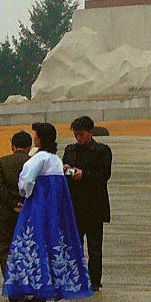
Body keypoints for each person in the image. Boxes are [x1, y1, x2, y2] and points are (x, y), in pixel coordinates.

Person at [3, 123, 93, 302]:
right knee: (53, 244)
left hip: (37, 206)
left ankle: (33, 288)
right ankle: (51, 287)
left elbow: (26, 181)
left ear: (40, 138)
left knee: (30, 243)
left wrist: (26, 194)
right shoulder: (55, 160)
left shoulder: (39, 158)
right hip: (55, 210)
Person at [62, 116, 112, 292]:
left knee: (94, 248)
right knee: (74, 246)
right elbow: (64, 172)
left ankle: (95, 281)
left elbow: (104, 175)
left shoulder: (102, 151)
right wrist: (68, 170)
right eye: (76, 135)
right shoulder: (70, 150)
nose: (78, 138)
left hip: (94, 206)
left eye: (81, 135)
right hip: (74, 206)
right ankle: (75, 278)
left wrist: (84, 175)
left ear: (90, 133)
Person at [0, 130, 32, 277]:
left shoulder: (2, 162)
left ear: (12, 146)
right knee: (28, 246)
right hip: (29, 211)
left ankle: (10, 281)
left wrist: (13, 204)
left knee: (5, 247)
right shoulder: (34, 162)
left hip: (8, 212)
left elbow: (0, 187)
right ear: (29, 147)